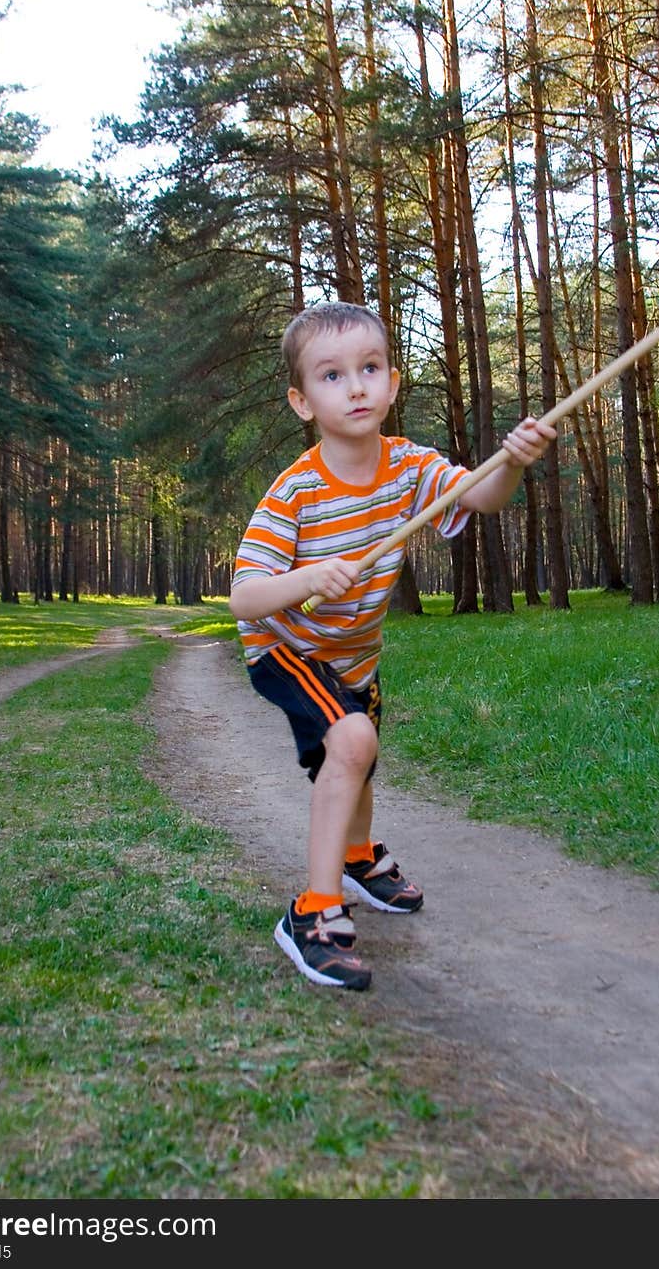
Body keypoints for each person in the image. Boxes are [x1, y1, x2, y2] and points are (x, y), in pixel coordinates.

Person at [229, 301, 556, 991]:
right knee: (350, 743)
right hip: (287, 647)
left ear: (393, 383)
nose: (355, 386)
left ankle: (355, 858)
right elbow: (245, 597)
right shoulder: (293, 494)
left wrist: (515, 463)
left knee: (360, 758)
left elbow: (482, 494)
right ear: (301, 400)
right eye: (332, 374)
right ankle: (312, 914)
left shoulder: (409, 466)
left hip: (356, 655)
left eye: (369, 368)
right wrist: (309, 576)